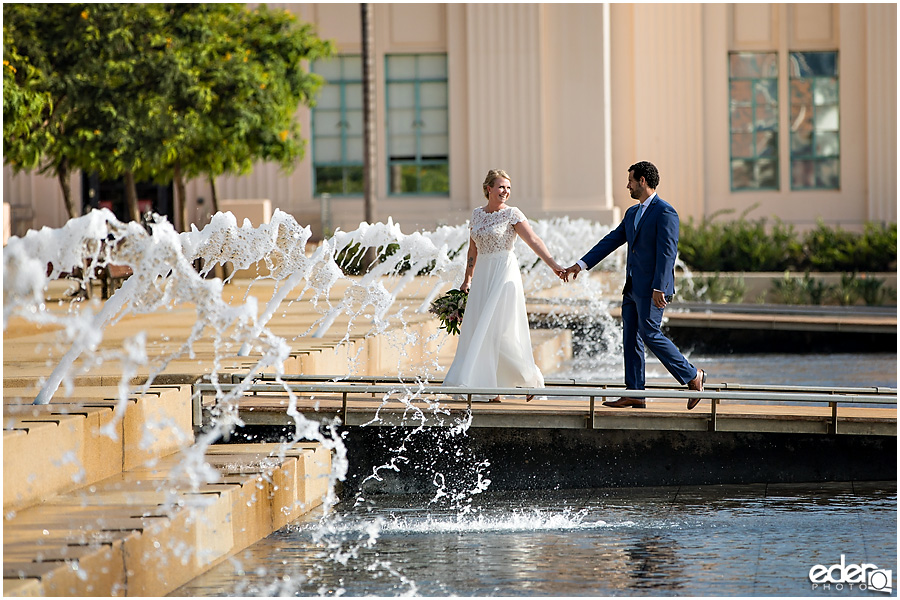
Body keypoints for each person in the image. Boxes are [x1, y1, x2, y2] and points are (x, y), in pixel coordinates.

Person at [560, 161, 707, 410]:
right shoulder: (632, 213)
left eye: (630, 180)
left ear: (642, 181)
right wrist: (581, 264)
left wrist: (660, 286)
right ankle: (635, 392)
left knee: (650, 333)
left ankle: (693, 375)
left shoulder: (665, 212)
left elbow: (668, 252)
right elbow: (610, 241)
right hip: (631, 288)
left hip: (653, 289)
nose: (627, 185)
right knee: (630, 338)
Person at [443, 169, 565, 402]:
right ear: (488, 189)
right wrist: (467, 279)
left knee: (499, 328)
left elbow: (533, 240)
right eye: (501, 187)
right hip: (482, 277)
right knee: (482, 329)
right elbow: (472, 250)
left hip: (504, 273)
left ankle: (529, 380)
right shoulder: (477, 215)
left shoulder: (512, 214)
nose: (505, 192)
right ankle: (492, 389)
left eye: (508, 188)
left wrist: (553, 264)